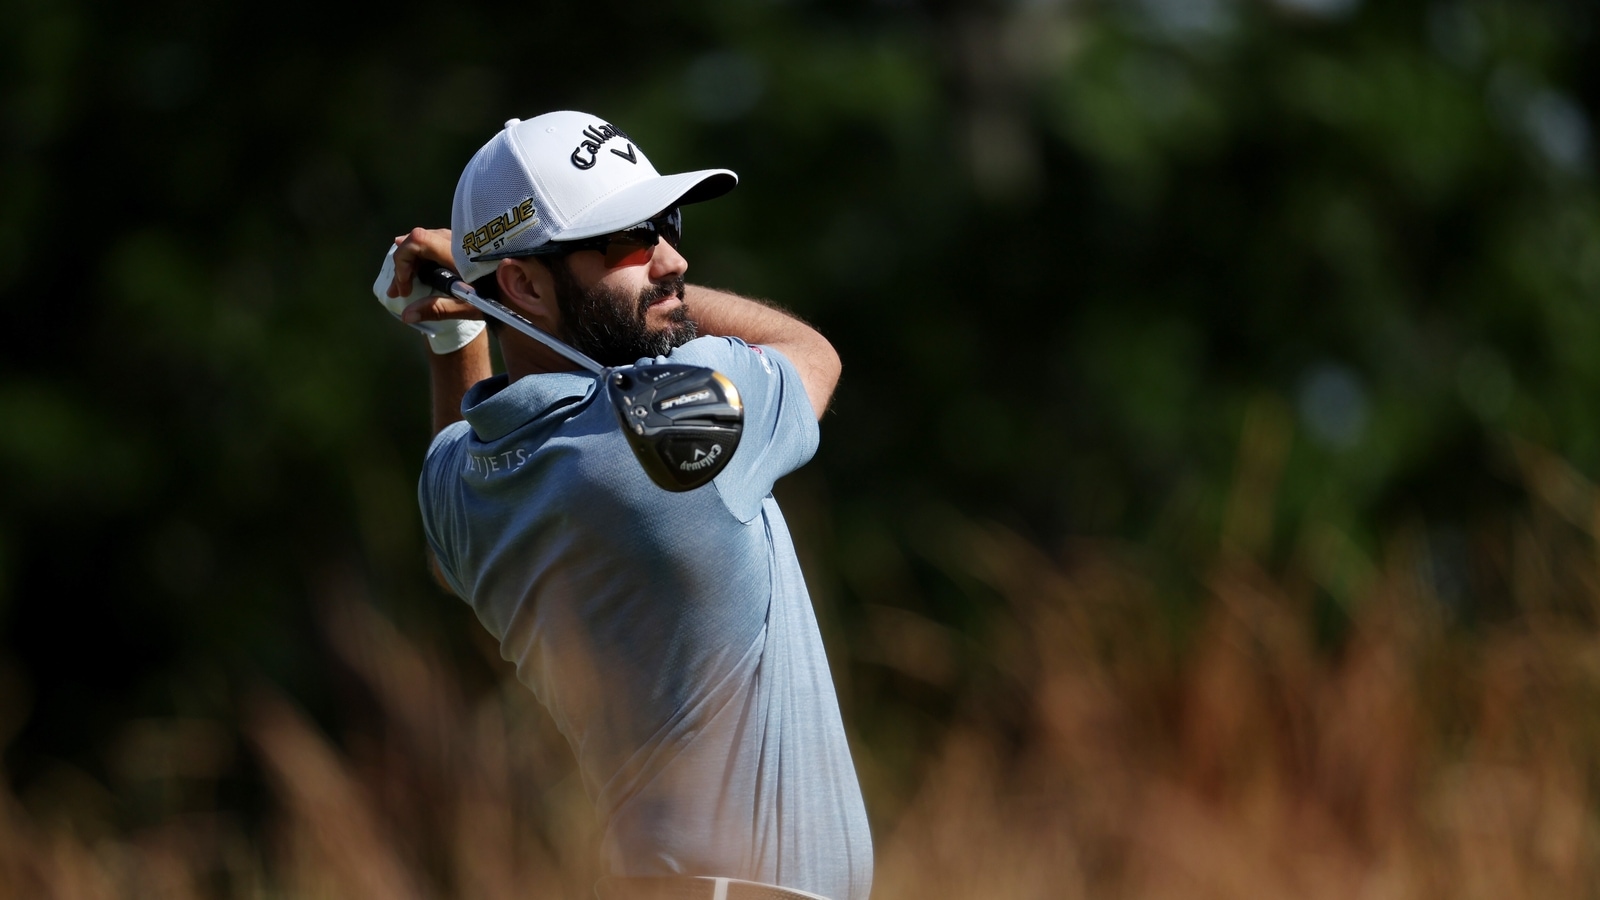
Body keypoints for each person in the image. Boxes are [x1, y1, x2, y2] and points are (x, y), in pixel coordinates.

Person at [373, 111, 872, 900]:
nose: (673, 259)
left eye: (666, 224)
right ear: (527, 285)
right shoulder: (670, 417)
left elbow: (448, 542)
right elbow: (812, 353)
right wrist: (481, 295)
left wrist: (457, 331)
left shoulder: (457, 487)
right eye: (630, 241)